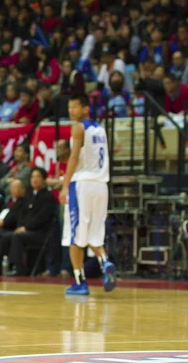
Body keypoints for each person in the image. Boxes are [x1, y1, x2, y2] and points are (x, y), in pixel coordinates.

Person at [59, 94, 116, 296]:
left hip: (82, 183)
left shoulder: (78, 127)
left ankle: (79, 282)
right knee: (94, 232)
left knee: (74, 235)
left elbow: (74, 157)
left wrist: (65, 185)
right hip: (101, 185)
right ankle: (105, 262)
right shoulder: (100, 128)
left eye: (75, 106)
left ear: (85, 108)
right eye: (69, 107)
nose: (71, 111)